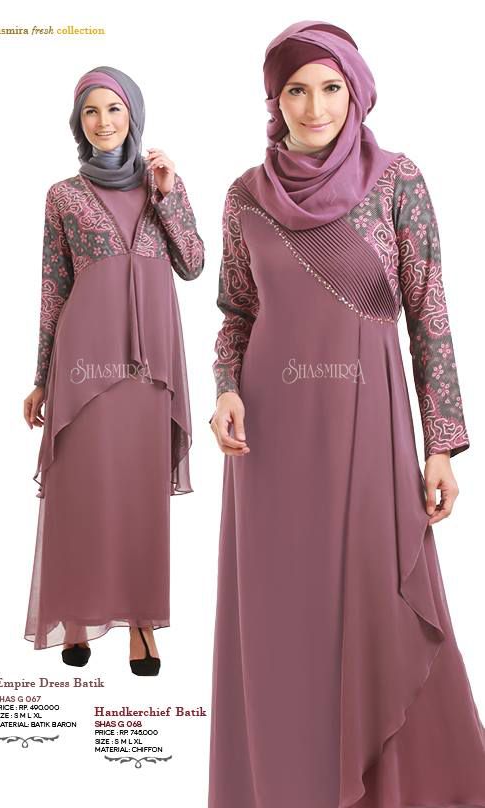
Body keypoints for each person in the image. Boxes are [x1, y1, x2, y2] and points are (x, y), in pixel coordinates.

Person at [208, 20, 485, 807]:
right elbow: (236, 312)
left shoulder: (396, 181)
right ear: (274, 100)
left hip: (367, 425)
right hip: (267, 441)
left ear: (356, 91)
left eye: (330, 87)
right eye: (295, 90)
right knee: (282, 621)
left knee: (372, 595)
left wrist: (440, 445)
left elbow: (429, 315)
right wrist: (225, 387)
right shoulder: (245, 196)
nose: (314, 107)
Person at [23, 65, 204, 675]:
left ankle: (142, 623)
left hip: (150, 371)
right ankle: (75, 617)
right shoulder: (63, 195)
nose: (102, 122)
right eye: (91, 112)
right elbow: (53, 289)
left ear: (134, 116)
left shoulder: (162, 185)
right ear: (79, 123)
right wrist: (42, 376)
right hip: (83, 367)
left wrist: (169, 194)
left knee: (140, 495)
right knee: (82, 491)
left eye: (114, 110)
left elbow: (194, 264)